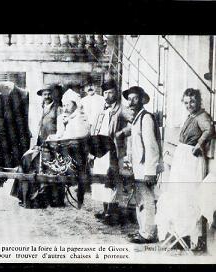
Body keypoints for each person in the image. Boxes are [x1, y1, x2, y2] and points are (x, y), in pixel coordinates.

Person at [156, 88, 215, 250]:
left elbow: (210, 130)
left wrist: (199, 144)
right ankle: (182, 234)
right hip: (183, 157)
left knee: (189, 194)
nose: (189, 105)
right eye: (186, 102)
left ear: (199, 101)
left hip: (191, 159)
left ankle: (194, 238)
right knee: (179, 193)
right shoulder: (192, 116)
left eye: (193, 102)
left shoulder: (202, 116)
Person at [10, 84, 63, 208]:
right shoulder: (41, 108)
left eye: (49, 94)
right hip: (40, 141)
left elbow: (60, 129)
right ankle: (27, 195)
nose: (47, 96)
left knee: (44, 168)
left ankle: (45, 197)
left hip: (52, 143)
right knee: (27, 162)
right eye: (45, 94)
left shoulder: (58, 109)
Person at [122, 86, 161, 244]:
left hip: (146, 169)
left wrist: (150, 171)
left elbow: (151, 146)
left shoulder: (145, 118)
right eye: (129, 99)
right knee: (140, 200)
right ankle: (142, 231)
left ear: (142, 100)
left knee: (147, 200)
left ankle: (148, 234)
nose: (131, 102)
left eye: (135, 99)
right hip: (138, 168)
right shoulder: (136, 119)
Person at [91, 79, 131, 225]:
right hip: (100, 150)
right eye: (105, 93)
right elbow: (95, 127)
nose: (107, 96)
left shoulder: (121, 109)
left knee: (112, 180)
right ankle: (105, 210)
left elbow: (135, 123)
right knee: (101, 181)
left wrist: (122, 132)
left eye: (110, 92)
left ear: (116, 93)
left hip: (113, 151)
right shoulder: (102, 109)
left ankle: (112, 214)